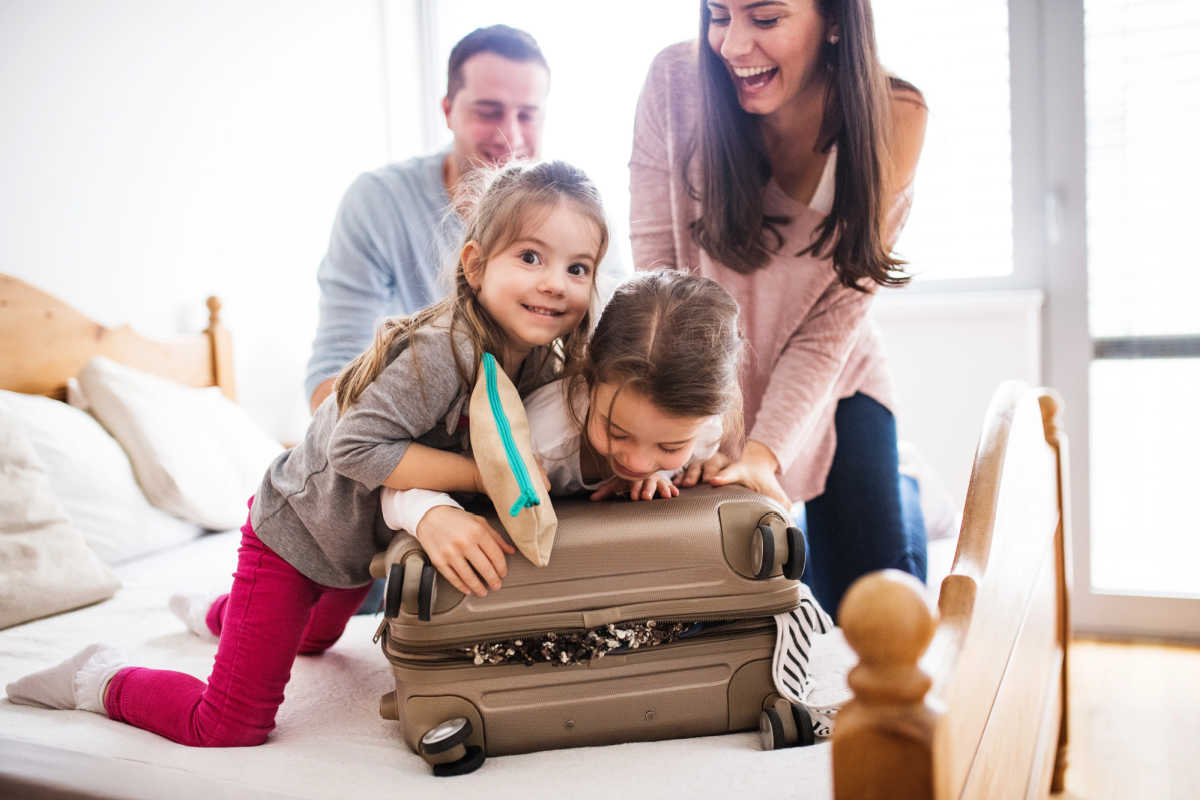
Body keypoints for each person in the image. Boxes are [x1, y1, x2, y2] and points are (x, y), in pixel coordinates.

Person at [5, 160, 609, 746]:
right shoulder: (439, 352)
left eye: (577, 267)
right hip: (294, 535)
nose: (556, 282)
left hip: (356, 548)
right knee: (228, 726)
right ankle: (98, 677)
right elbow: (358, 447)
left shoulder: (538, 365)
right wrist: (485, 475)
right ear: (475, 266)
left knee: (315, 642)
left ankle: (218, 616)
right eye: (531, 257)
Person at [629, 0, 929, 617]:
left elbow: (830, 330)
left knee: (873, 608)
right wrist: (696, 425)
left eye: (765, 19)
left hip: (835, 381)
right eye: (718, 14)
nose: (734, 45)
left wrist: (763, 455)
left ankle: (907, 483)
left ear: (837, 20)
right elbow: (658, 274)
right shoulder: (675, 83)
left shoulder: (894, 117)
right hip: (709, 376)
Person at [306, 23, 627, 415]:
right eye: (488, 112)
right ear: (448, 111)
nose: (509, 135)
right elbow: (334, 371)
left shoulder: (581, 216)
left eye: (527, 115)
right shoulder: (377, 202)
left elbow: (620, 344)